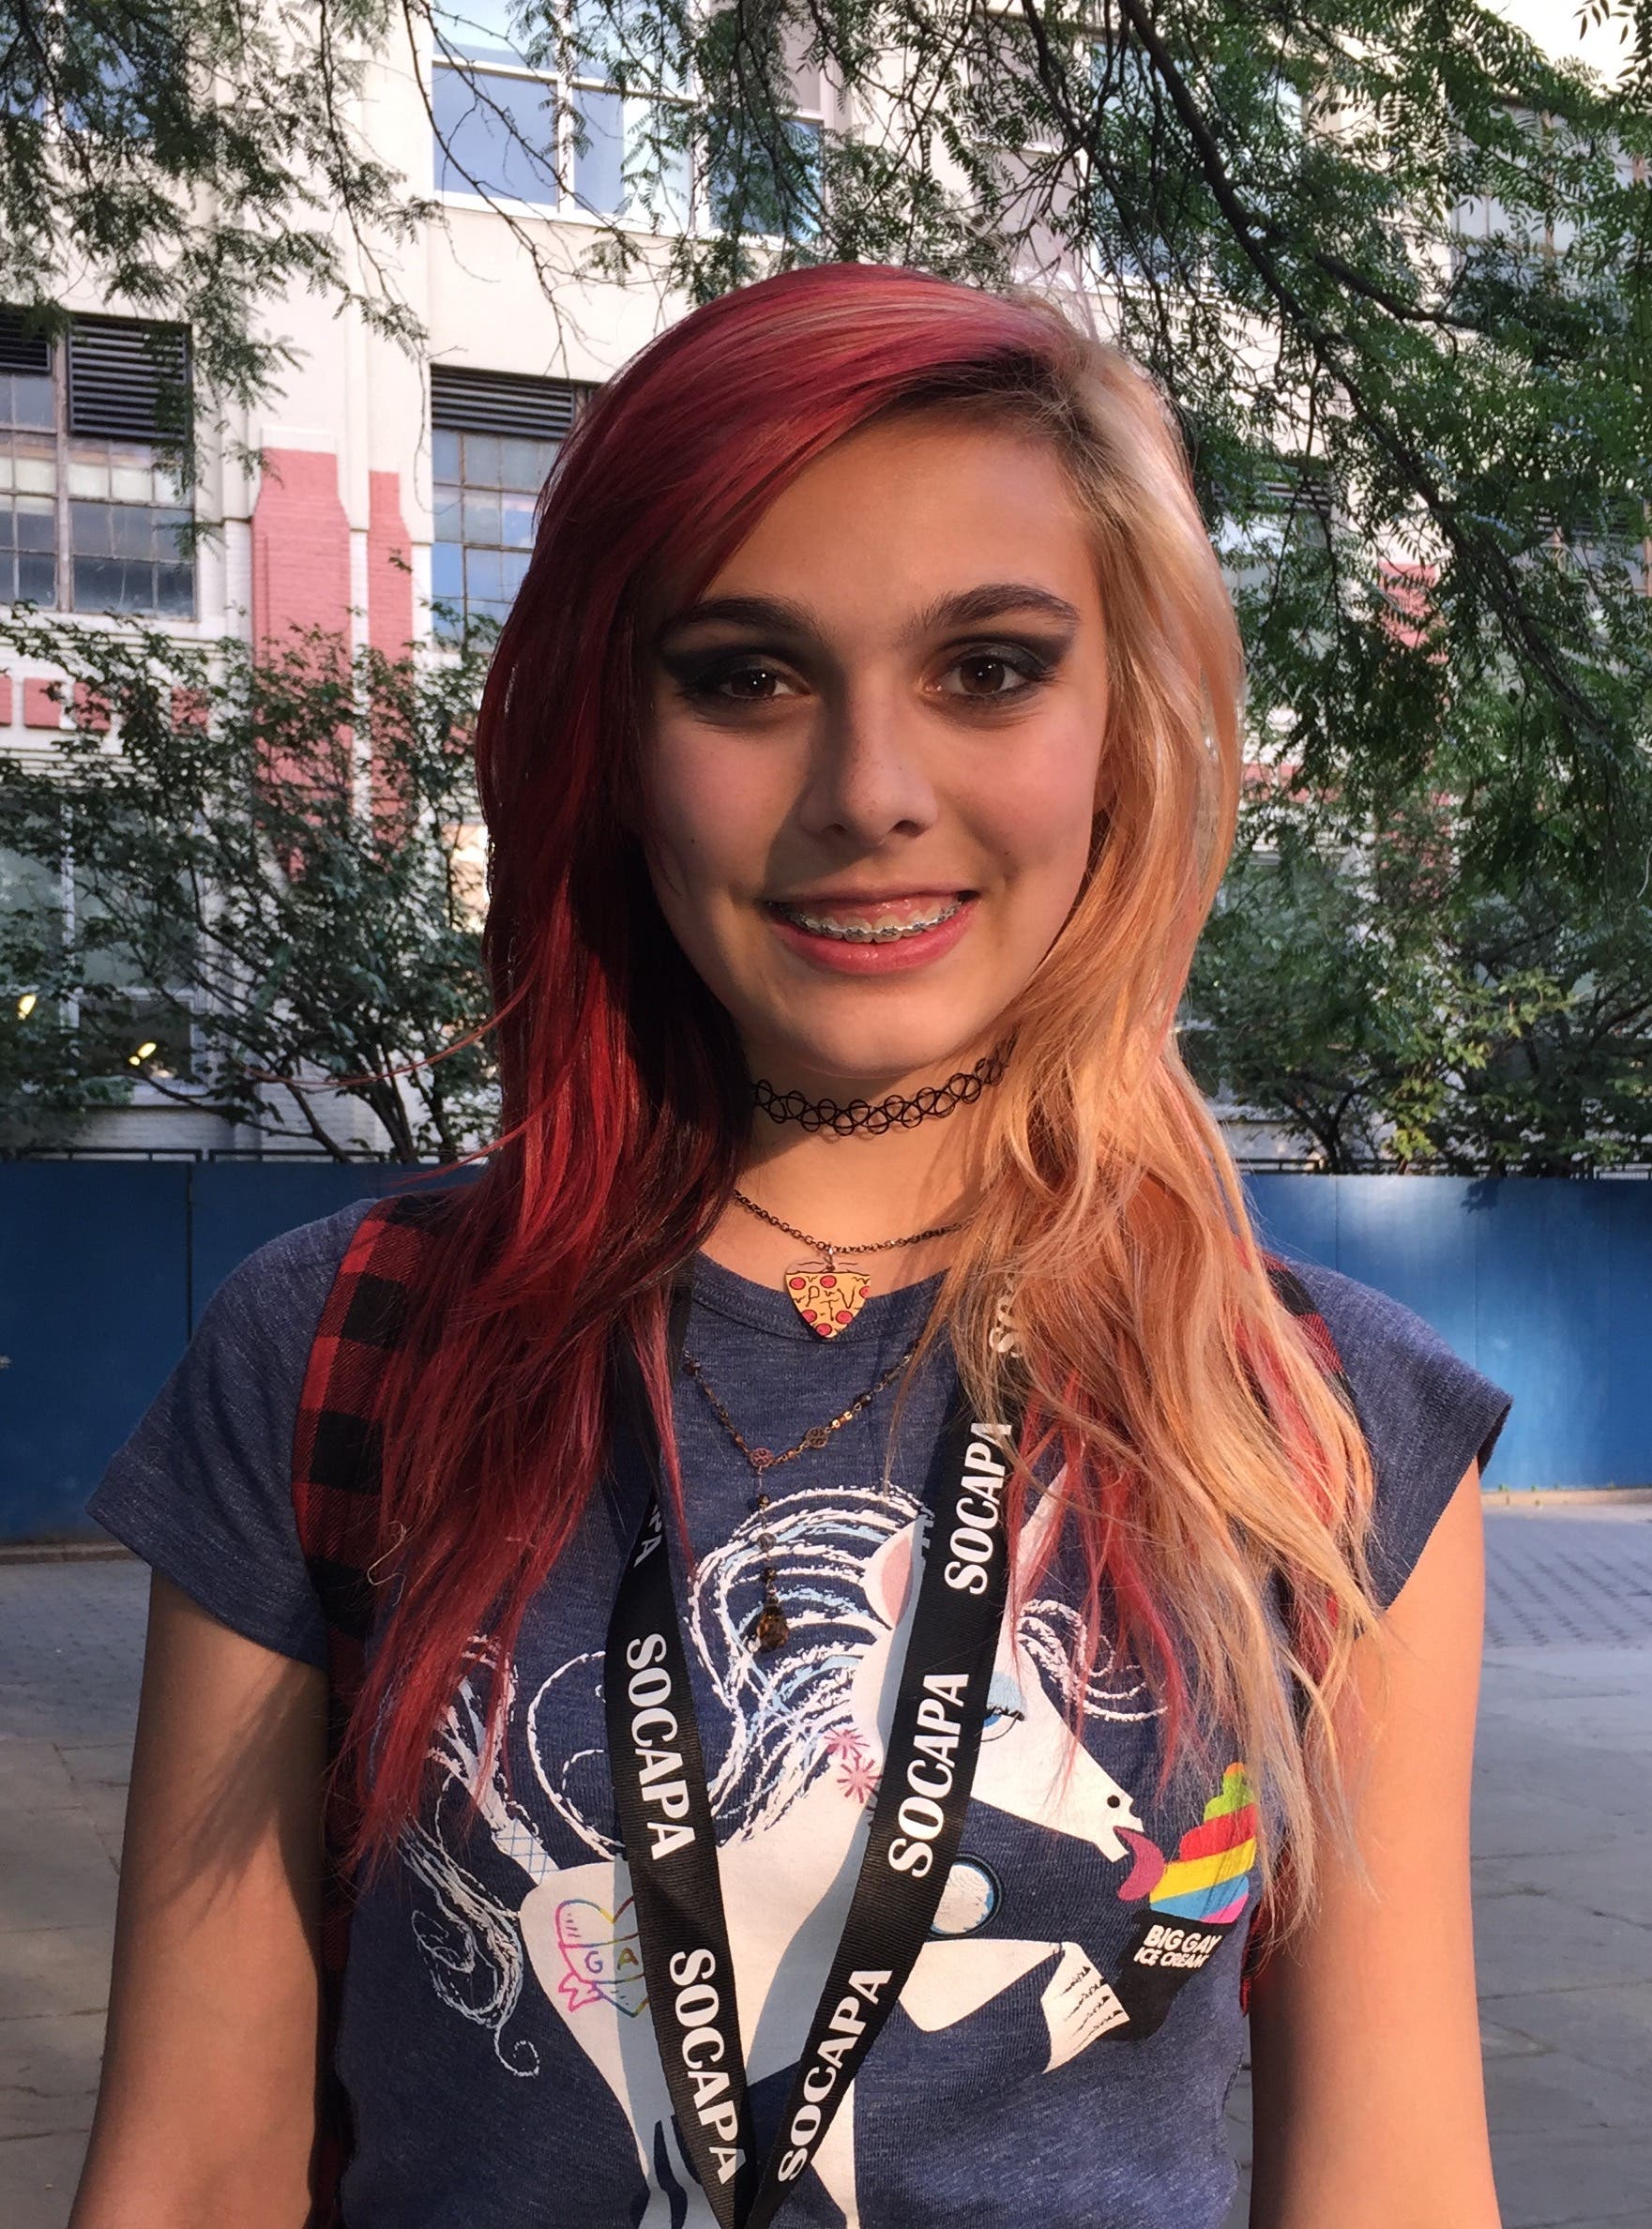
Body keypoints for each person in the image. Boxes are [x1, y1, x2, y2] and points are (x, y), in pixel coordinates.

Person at [72, 265, 1510, 2229]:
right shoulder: (340, 1348)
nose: (868, 795)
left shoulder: (1317, 1424)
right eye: (746, 676)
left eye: (986, 668)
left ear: (1125, 728)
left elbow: (1393, 2185)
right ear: (613, 739)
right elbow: (192, 2170)